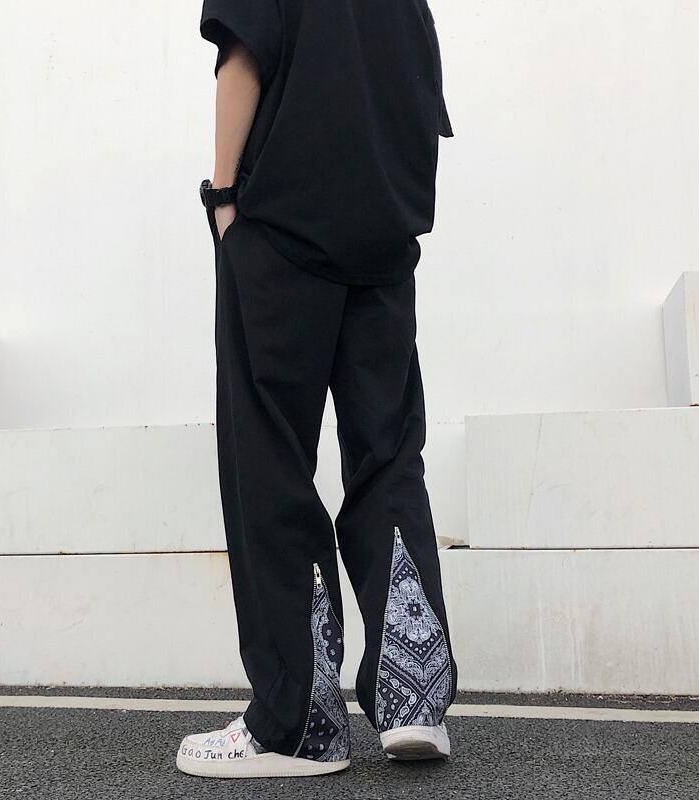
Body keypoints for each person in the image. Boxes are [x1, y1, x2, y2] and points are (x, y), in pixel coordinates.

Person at [176, 0, 458, 779]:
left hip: (283, 232)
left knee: (269, 459)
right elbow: (419, 95)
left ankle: (298, 723)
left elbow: (244, 55)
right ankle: (414, 698)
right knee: (388, 457)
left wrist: (222, 201)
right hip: (382, 243)